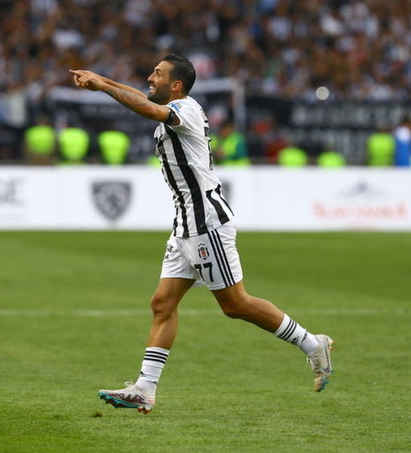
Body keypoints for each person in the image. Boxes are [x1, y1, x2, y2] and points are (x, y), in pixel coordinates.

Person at [70, 54, 334, 414]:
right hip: (184, 225)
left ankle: (313, 344)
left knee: (235, 304)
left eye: (158, 74)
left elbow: (148, 109)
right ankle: (145, 389)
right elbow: (143, 99)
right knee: (162, 303)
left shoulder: (186, 109)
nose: (150, 78)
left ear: (176, 85)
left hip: (207, 223)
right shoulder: (171, 105)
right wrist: (101, 80)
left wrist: (103, 87)